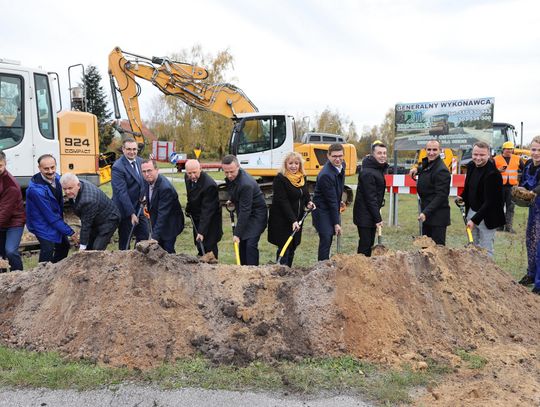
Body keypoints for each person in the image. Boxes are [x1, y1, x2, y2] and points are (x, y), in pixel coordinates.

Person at [457, 141, 505, 257]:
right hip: (472, 211)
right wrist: (462, 197)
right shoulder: (471, 166)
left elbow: (490, 202)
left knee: (486, 250)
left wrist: (474, 220)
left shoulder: (493, 174)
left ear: (489, 155)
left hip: (488, 216)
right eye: (475, 154)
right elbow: (469, 187)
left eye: (482, 155)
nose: (478, 158)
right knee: (473, 247)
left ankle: (486, 274)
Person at [268, 152, 315, 266]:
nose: (294, 166)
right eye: (290, 163)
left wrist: (308, 202)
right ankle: (281, 270)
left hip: (298, 218)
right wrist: (292, 220)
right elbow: (283, 201)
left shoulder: (302, 177)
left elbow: (304, 193)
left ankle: (289, 271)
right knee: (285, 246)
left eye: (296, 163)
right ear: (285, 164)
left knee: (293, 245)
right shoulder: (280, 179)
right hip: (283, 219)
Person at [26, 154, 75, 263]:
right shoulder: (35, 190)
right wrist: (71, 232)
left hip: (54, 219)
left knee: (64, 245)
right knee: (47, 248)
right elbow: (50, 216)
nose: (50, 171)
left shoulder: (57, 178)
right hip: (40, 223)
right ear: (39, 168)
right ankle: (41, 275)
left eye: (52, 167)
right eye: (46, 169)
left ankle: (54, 271)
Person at [222, 154, 267, 266]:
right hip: (247, 213)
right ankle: (243, 269)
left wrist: (236, 233)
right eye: (226, 172)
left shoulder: (245, 184)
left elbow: (245, 211)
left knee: (250, 244)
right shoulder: (234, 177)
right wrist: (232, 199)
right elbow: (234, 189)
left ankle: (253, 272)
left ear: (238, 167)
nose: (229, 175)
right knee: (242, 243)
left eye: (231, 171)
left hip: (257, 215)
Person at [60, 173, 120, 250]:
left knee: (96, 249)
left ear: (78, 185)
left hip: (109, 219)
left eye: (70, 188)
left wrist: (82, 247)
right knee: (89, 246)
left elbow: (86, 224)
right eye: (65, 189)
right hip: (95, 218)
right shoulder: (77, 185)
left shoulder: (88, 200)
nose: (67, 192)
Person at [410, 139, 451, 245]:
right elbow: (424, 166)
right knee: (425, 248)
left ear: (440, 151)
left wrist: (425, 212)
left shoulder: (442, 170)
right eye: (429, 149)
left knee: (437, 251)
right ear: (425, 150)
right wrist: (416, 169)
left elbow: (441, 196)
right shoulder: (429, 164)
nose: (431, 153)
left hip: (437, 217)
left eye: (434, 150)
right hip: (427, 215)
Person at [112, 138, 148, 250]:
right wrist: (131, 213)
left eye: (134, 149)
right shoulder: (118, 167)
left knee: (144, 235)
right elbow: (121, 193)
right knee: (125, 240)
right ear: (123, 149)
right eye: (129, 149)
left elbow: (144, 182)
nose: (132, 152)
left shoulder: (140, 162)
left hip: (139, 207)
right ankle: (123, 263)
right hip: (125, 209)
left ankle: (138, 259)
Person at [140, 159, 184, 253]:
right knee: (159, 252)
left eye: (149, 170)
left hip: (170, 224)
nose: (147, 174)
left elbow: (163, 214)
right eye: (144, 171)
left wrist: (154, 237)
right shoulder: (148, 181)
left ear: (156, 170)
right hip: (159, 222)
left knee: (167, 252)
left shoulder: (165, 188)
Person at [353, 142, 388, 256]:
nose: (382, 156)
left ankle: (365, 268)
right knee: (365, 245)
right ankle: (360, 268)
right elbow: (370, 198)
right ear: (373, 155)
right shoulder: (368, 172)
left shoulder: (377, 168)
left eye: (384, 153)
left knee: (368, 244)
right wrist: (378, 219)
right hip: (365, 215)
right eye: (379, 153)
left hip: (370, 214)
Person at [312, 143, 346, 261]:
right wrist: (336, 223)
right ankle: (322, 266)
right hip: (322, 210)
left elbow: (339, 186)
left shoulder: (342, 166)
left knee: (330, 236)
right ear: (328, 156)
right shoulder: (326, 175)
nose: (338, 159)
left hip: (331, 205)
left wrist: (339, 199)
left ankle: (326, 264)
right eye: (334, 156)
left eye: (340, 156)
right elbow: (331, 201)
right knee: (326, 237)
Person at [184, 159, 222, 258]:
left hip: (210, 221)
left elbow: (207, 211)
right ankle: (201, 266)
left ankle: (213, 267)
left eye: (194, 172)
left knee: (209, 246)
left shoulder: (209, 185)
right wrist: (188, 208)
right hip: (196, 216)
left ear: (200, 169)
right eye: (189, 173)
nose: (192, 176)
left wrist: (201, 231)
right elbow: (190, 195)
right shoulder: (187, 178)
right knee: (199, 245)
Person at [517, 136, 540, 294]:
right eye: (534, 149)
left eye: (539, 150)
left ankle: (539, 283)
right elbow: (524, 182)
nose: (536, 153)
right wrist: (519, 190)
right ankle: (531, 274)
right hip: (534, 209)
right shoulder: (528, 164)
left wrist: (533, 192)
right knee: (530, 241)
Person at [0, 150, 25, 271]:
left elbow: (4, 213)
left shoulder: (11, 185)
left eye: (0, 165)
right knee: (0, 255)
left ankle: (20, 277)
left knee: (10, 251)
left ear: (5, 163)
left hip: (13, 222)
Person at [494, 141, 523, 233]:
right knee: (499, 207)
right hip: (500, 187)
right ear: (503, 149)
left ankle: (509, 227)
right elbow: (490, 172)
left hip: (512, 187)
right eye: (508, 149)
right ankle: (499, 226)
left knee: (511, 207)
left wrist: (521, 182)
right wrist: (497, 171)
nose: (509, 151)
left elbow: (525, 170)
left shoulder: (517, 158)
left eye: (511, 149)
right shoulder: (496, 159)